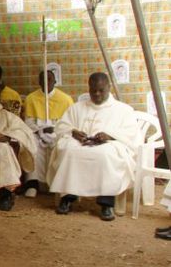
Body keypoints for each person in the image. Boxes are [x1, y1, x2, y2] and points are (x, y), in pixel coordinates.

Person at [49, 73, 141, 221]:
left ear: (108, 88)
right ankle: (67, 197)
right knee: (69, 151)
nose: (97, 94)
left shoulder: (123, 110)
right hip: (81, 143)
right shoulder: (77, 108)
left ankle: (106, 203)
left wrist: (110, 136)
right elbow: (61, 126)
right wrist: (73, 131)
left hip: (108, 145)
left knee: (106, 154)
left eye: (101, 90)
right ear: (89, 88)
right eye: (93, 90)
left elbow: (132, 134)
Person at [21, 70, 74, 197]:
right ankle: (33, 184)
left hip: (58, 133)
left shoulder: (66, 99)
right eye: (43, 79)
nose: (46, 82)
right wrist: (40, 131)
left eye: (49, 79)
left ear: (55, 81)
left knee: (63, 145)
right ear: (39, 82)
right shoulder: (31, 98)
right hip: (37, 132)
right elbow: (28, 122)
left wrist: (55, 130)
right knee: (30, 143)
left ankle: (56, 184)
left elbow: (68, 123)